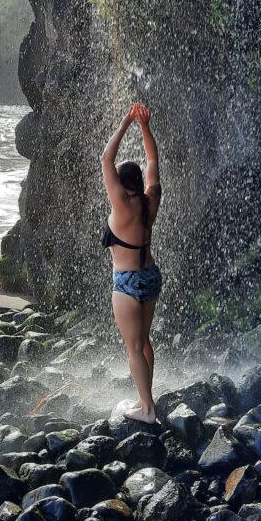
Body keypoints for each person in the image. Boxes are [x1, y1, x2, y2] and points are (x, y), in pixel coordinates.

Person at [100, 102, 162, 424]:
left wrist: (126, 121)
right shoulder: (151, 199)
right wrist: (145, 127)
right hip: (151, 277)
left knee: (133, 347)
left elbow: (106, 159)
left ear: (122, 187)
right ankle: (145, 399)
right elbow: (152, 159)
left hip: (127, 283)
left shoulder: (121, 205)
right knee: (145, 342)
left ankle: (147, 409)